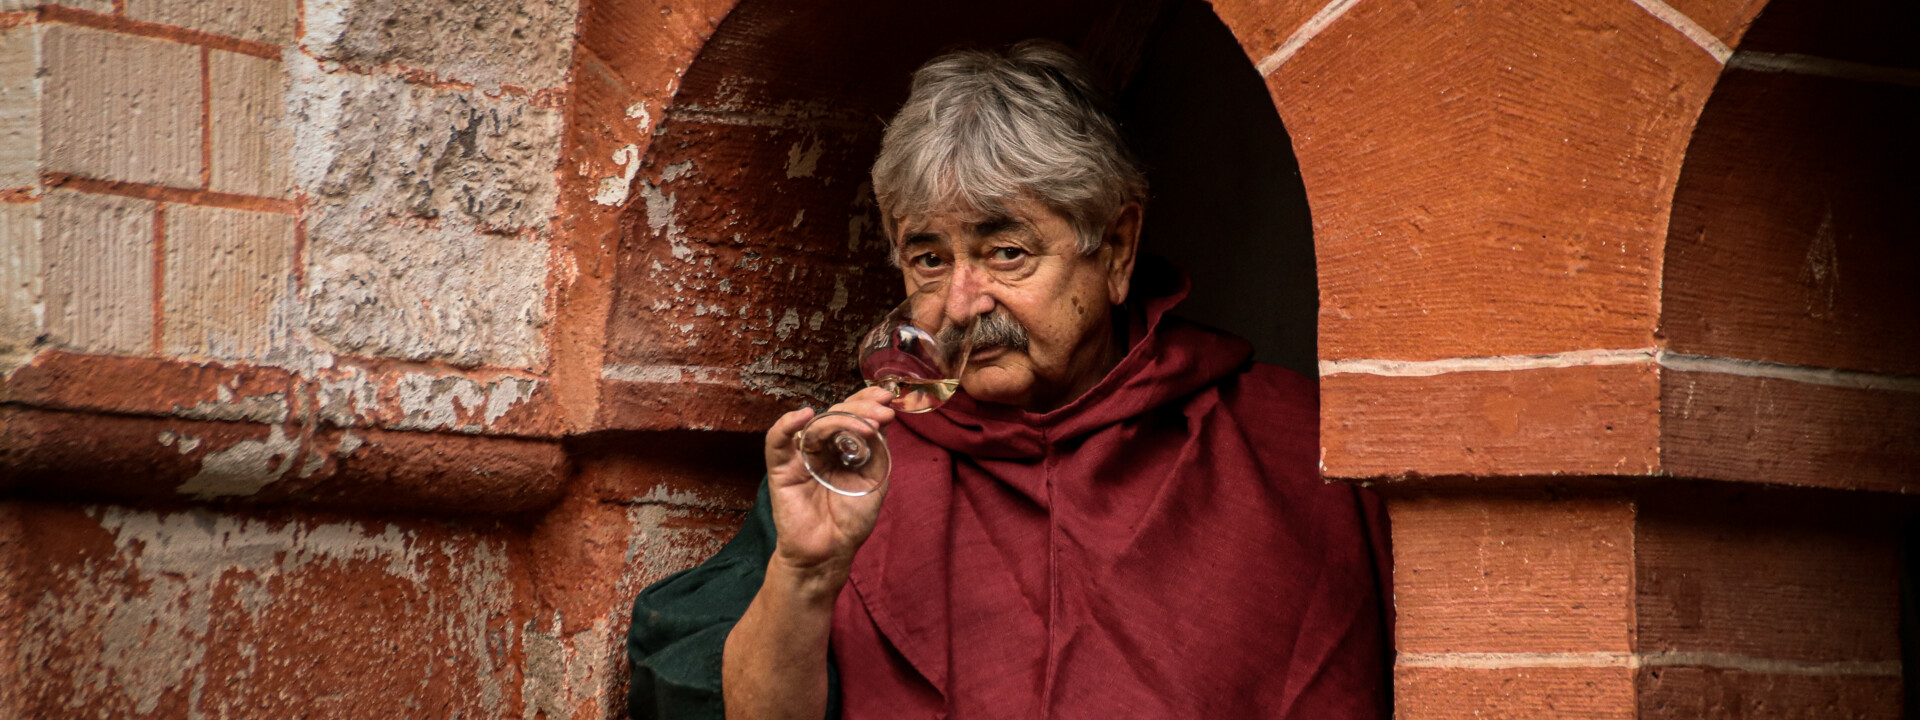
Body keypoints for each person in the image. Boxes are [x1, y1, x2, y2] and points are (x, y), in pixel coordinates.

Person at [629, 40, 1391, 720]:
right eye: (929, 258)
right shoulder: (854, 466)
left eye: (1007, 253)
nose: (962, 304)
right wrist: (804, 574)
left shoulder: (1298, 447)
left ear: (1117, 248)